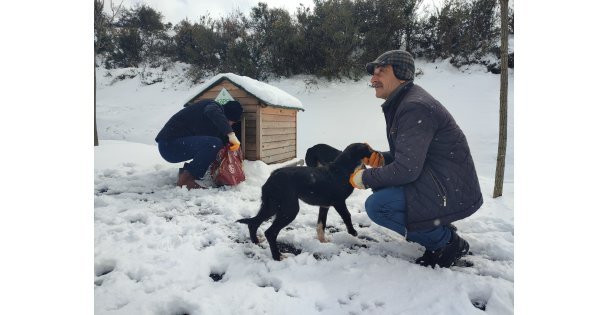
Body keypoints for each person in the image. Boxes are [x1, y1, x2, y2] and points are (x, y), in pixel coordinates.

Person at [349, 50, 483, 268]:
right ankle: (437, 229)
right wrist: (383, 159)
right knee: (383, 189)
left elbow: (407, 170)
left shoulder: (413, 107)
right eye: (373, 74)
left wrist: (364, 177)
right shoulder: (405, 100)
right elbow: (413, 155)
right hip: (443, 183)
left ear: (401, 74)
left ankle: (447, 243)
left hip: (448, 189)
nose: (373, 79)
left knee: (379, 206)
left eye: (381, 72)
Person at [155, 99, 243, 189]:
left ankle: (185, 173)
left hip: (170, 146)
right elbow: (212, 111)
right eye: (232, 121)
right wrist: (231, 134)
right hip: (169, 145)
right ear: (227, 115)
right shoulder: (212, 105)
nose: (231, 124)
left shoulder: (211, 124)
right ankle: (186, 180)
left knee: (214, 143)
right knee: (214, 144)